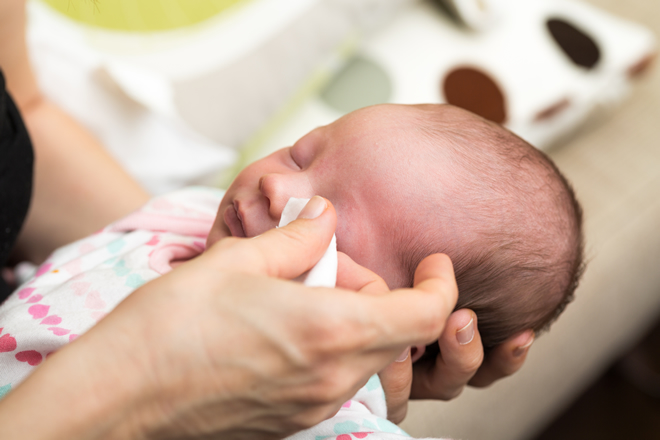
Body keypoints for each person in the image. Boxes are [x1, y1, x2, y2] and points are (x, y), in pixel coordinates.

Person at [0, 0, 539, 437]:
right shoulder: (191, 216)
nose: (277, 184)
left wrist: (366, 367)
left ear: (401, 323)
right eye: (299, 155)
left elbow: (22, 113)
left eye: (330, 214)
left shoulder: (320, 415)